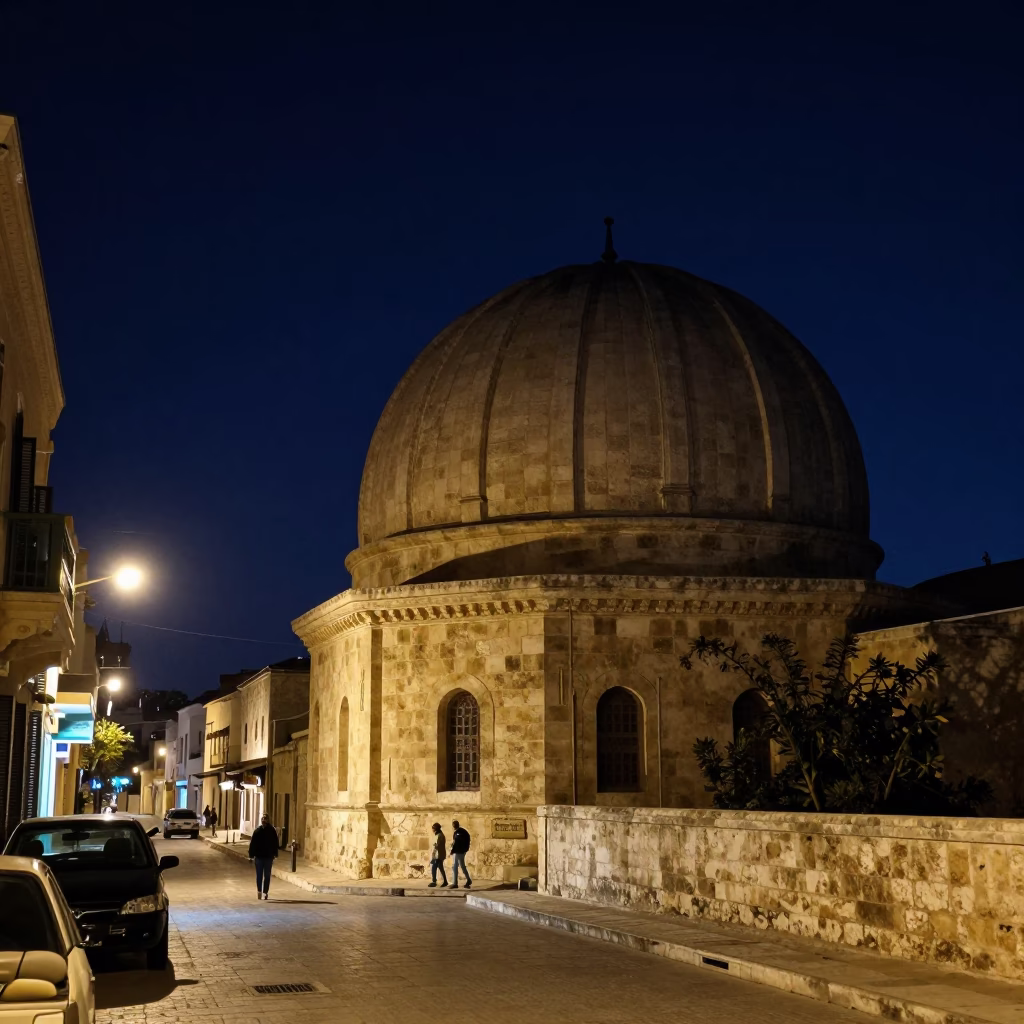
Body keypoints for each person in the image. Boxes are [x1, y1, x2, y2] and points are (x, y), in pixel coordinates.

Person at [248, 814, 279, 900]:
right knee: (259, 875)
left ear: (268, 820)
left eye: (265, 819)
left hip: (268, 857)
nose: (264, 821)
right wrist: (251, 855)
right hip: (259, 857)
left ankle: (265, 892)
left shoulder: (272, 831)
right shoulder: (257, 831)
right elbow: (253, 844)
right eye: (263, 819)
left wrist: (275, 854)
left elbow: (275, 843)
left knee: (267, 875)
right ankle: (259, 891)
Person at [450, 819, 472, 889]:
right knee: (462, 866)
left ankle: (455, 883)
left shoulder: (458, 832)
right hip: (461, 851)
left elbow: (457, 843)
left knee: (455, 866)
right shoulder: (461, 831)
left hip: (458, 852)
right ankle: (468, 880)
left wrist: (452, 850)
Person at [427, 822, 448, 888]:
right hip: (439, 854)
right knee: (440, 868)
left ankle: (434, 881)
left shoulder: (439, 836)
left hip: (438, 855)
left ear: (435, 829)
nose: (432, 830)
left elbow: (437, 846)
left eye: (433, 828)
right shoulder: (439, 835)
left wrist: (433, 854)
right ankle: (445, 881)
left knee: (434, 868)